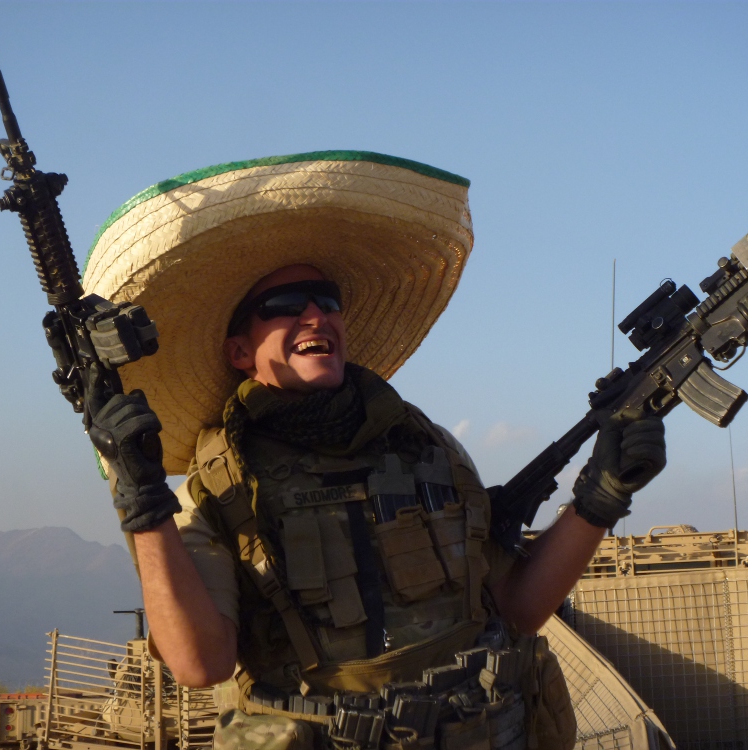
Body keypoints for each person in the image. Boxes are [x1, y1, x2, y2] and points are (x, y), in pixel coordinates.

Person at [84, 151, 666, 750]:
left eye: (328, 300)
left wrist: (600, 497)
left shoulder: (425, 445)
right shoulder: (222, 485)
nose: (316, 314)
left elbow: (516, 607)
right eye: (284, 306)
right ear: (239, 352)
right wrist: (143, 505)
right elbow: (199, 663)